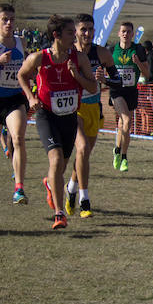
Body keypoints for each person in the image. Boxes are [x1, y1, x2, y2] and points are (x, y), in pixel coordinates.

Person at [17, 14, 97, 229]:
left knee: (60, 167)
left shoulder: (79, 59)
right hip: (47, 115)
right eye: (70, 33)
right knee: (55, 159)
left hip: (69, 117)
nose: (75, 36)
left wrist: (76, 75)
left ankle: (50, 184)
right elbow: (22, 75)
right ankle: (59, 214)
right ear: (56, 35)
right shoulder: (40, 58)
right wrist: (31, 98)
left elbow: (92, 88)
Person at [64, 13, 116, 218]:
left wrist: (106, 79)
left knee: (83, 156)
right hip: (73, 109)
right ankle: (84, 201)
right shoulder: (67, 53)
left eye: (90, 29)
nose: (87, 33)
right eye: (83, 29)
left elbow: (118, 81)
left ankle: (71, 189)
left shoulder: (102, 53)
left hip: (95, 108)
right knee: (82, 148)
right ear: (75, 31)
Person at [0, 3, 29, 204]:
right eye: (5, 19)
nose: (9, 23)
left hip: (15, 99)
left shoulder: (21, 42)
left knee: (18, 138)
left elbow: (26, 67)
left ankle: (18, 188)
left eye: (12, 19)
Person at [107, 21, 148, 172]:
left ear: (132, 34)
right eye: (123, 31)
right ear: (119, 33)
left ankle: (117, 149)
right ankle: (123, 157)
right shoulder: (112, 49)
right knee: (127, 120)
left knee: (124, 125)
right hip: (116, 91)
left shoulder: (138, 50)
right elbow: (105, 69)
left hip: (131, 91)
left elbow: (147, 73)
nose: (125, 34)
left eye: (128, 32)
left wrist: (137, 62)